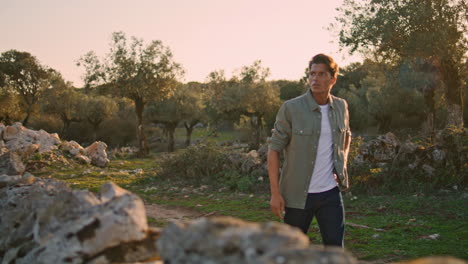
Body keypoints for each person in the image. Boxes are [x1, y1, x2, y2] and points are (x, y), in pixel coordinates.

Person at [267, 54, 351, 247]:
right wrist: (275, 193)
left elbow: (346, 136)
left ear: (333, 79)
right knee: (291, 250)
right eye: (312, 74)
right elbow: (274, 150)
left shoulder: (341, 106)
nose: (315, 79)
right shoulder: (291, 108)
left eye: (321, 74)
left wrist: (342, 164)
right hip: (297, 196)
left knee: (335, 248)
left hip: (330, 192)